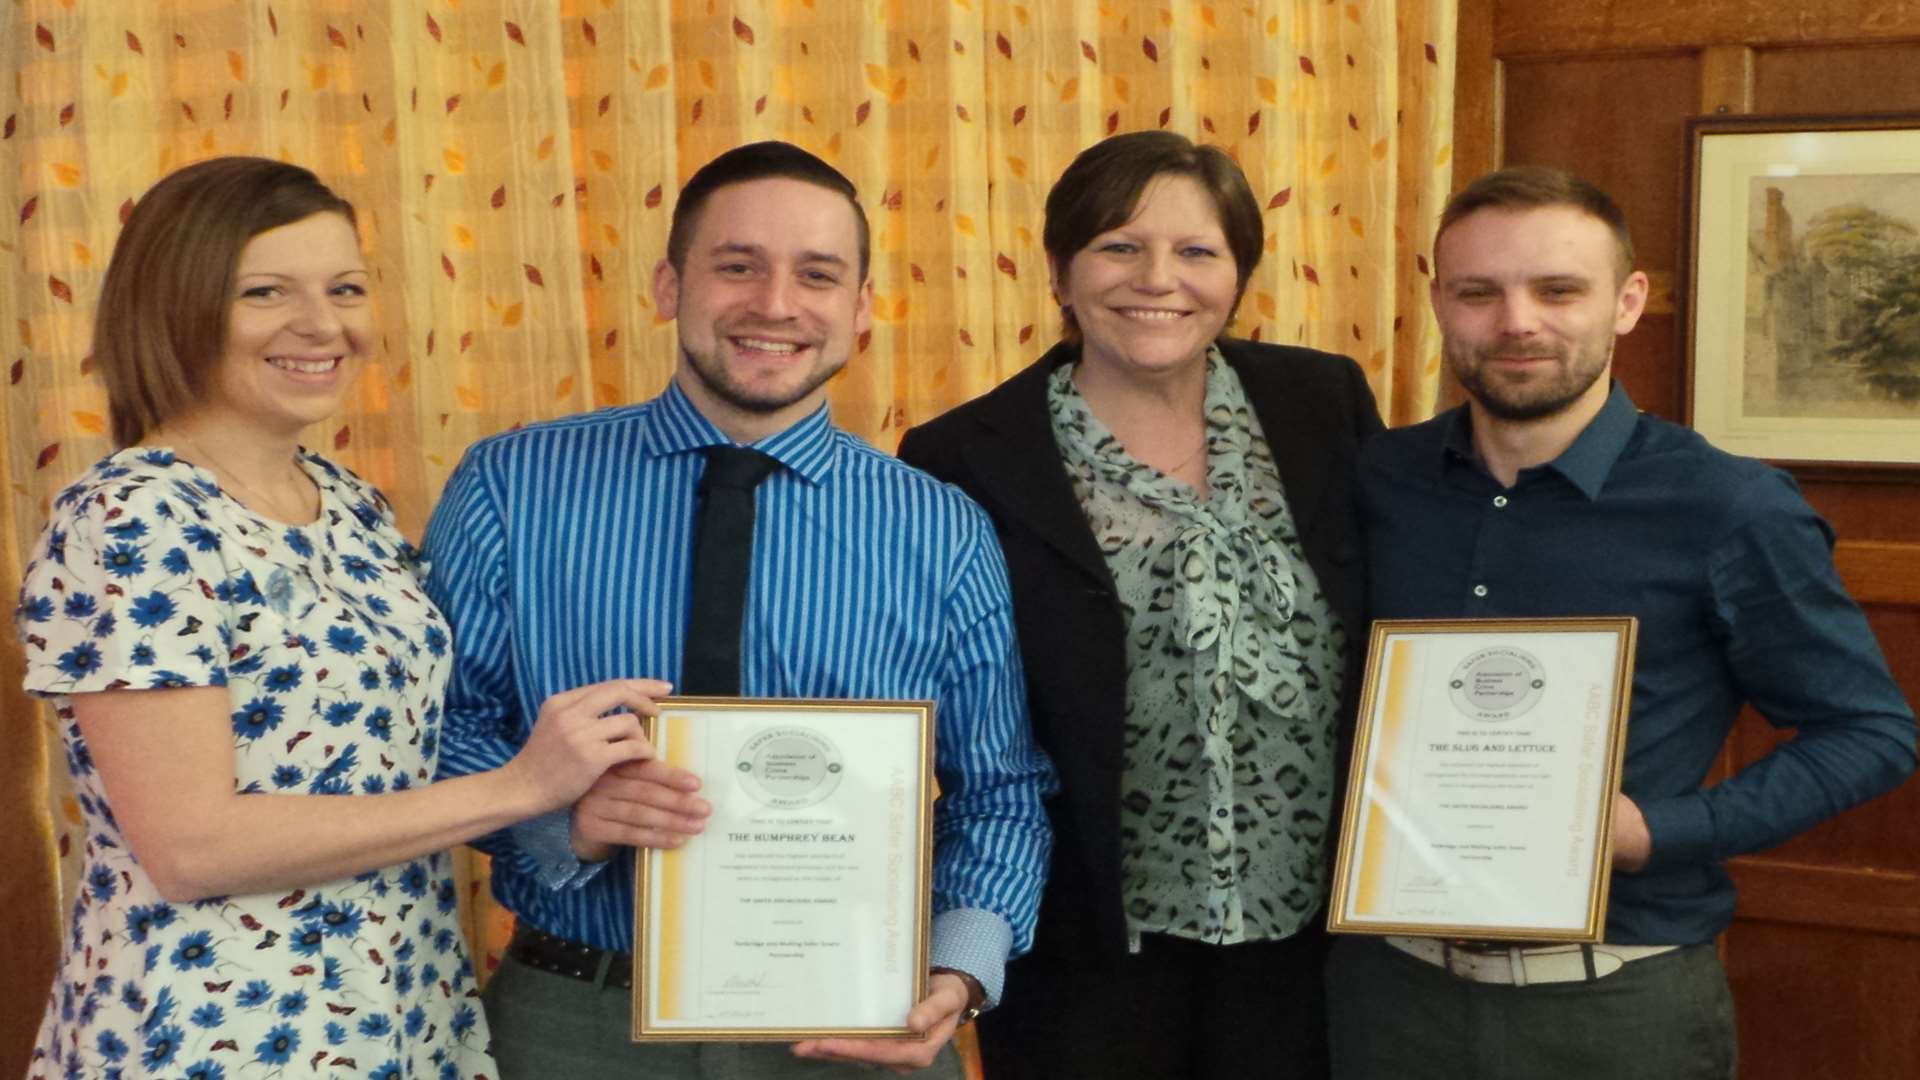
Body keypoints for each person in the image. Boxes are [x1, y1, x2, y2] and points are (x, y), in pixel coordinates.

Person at [14, 157, 659, 1080]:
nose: (324, 327)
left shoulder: (347, 504)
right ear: (177, 304)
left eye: (345, 289)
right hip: (218, 1029)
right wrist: (521, 787)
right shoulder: (134, 516)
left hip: (399, 1010)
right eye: (266, 291)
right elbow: (193, 846)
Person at [423, 140, 1056, 1077]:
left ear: (861, 310)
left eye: (817, 274)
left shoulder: (943, 528)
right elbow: (437, 726)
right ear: (670, 284)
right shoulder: (513, 485)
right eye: (738, 266)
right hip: (576, 1016)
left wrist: (957, 974)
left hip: (852, 1025)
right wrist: (565, 814)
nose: (774, 304)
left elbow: (999, 792)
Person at [1328, 166, 1919, 1079]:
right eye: (1479, 292)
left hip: (1617, 1007)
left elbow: (1871, 733)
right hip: (1389, 996)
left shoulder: (1728, 505)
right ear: (1439, 300)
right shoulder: (1378, 481)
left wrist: (1660, 830)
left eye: (1559, 289)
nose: (1517, 321)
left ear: (1627, 301)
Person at [896, 131, 1383, 1079]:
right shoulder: (964, 455)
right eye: (1120, 246)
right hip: (1086, 947)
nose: (1158, 278)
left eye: (1198, 252)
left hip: (1316, 937)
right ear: (1058, 271)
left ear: (1238, 275)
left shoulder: (1322, 401)